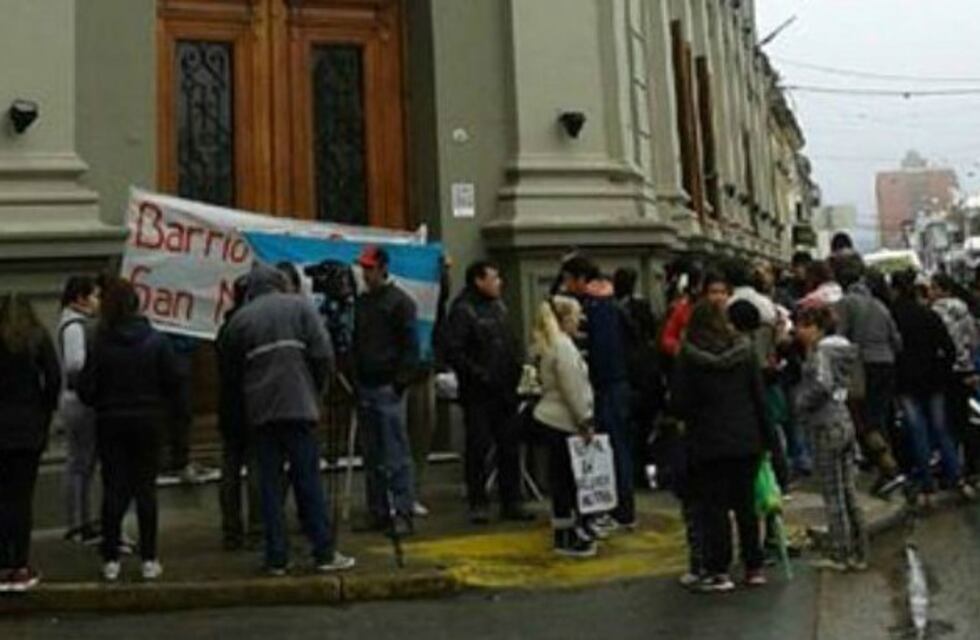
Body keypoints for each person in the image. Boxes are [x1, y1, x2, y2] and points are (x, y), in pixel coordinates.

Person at [222, 262, 354, 575]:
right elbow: (324, 354)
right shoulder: (300, 308)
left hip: (262, 411)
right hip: (299, 405)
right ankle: (323, 551)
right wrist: (318, 390)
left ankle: (276, 556)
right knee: (307, 479)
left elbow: (230, 371)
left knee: (269, 485)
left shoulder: (240, 321)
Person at [77, 278, 180, 582]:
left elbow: (86, 388)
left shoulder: (100, 342)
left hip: (112, 420)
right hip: (148, 420)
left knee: (114, 489)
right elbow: (174, 381)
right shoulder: (157, 341)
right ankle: (149, 557)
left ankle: (111, 558)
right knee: (146, 489)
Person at [671, 301, 775, 592]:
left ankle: (720, 571)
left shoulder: (688, 356)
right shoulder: (744, 352)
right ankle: (754, 566)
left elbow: (679, 403)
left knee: (713, 508)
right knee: (745, 505)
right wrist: (769, 440)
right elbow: (759, 397)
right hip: (745, 437)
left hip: (707, 439)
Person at [446, 260, 532, 524]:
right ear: (478, 280)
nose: (499, 283)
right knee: (478, 447)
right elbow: (456, 352)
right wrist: (480, 376)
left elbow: (510, 341)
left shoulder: (498, 307)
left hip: (504, 390)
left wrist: (517, 370)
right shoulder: (463, 310)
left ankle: (512, 500)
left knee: (509, 447)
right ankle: (478, 502)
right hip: (479, 393)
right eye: (494, 278)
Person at [558, 256, 634, 532]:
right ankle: (622, 508)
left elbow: (598, 351)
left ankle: (616, 508)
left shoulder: (594, 307)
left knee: (608, 447)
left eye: (568, 279)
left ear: (580, 279)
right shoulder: (611, 303)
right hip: (618, 382)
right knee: (617, 445)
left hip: (605, 385)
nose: (566, 286)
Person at [794, 304, 869, 572]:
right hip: (843, 419)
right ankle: (860, 550)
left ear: (817, 327)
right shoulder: (844, 350)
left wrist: (800, 402)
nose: (798, 331)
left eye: (803, 325)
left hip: (825, 425)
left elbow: (821, 385)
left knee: (832, 491)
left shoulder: (822, 352)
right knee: (848, 490)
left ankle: (840, 553)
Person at [890, 270, 975, 506]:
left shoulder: (894, 317)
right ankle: (957, 479)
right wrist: (942, 370)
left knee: (918, 433)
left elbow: (892, 350)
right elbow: (949, 348)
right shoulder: (930, 315)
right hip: (935, 383)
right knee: (942, 430)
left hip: (907, 384)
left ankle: (927, 485)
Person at [352, 246, 419, 533]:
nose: (365, 274)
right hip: (366, 384)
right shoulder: (363, 303)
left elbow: (410, 347)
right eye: (364, 269)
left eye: (370, 268)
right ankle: (378, 509)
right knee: (372, 455)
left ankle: (401, 510)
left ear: (382, 269)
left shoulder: (400, 303)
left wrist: (399, 382)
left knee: (395, 454)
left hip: (387, 386)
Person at [0, 294, 61, 591]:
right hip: (28, 429)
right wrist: (43, 411)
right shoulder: (37, 337)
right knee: (21, 499)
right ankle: (20, 565)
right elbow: (53, 379)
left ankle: (1, 564)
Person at [832, 252, 906, 498]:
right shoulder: (879, 305)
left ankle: (889, 469)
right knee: (880, 416)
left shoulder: (846, 303)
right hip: (887, 363)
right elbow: (897, 341)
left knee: (865, 420)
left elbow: (839, 340)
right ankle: (890, 467)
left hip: (864, 366)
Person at [531, 296, 597, 557]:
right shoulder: (564, 347)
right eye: (576, 314)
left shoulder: (549, 344)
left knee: (561, 480)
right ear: (565, 318)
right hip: (563, 421)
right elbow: (573, 389)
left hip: (550, 417)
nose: (579, 320)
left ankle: (565, 531)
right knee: (567, 481)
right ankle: (568, 536)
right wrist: (585, 420)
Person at [215, 274, 263, 551]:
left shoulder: (227, 328)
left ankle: (231, 529)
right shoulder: (251, 327)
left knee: (231, 467)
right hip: (252, 403)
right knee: (255, 465)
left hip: (230, 405)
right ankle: (256, 527)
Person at [57, 275, 101, 544]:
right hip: (79, 402)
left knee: (82, 463)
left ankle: (81, 519)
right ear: (80, 298)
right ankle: (78, 522)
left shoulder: (73, 323)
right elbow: (75, 364)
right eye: (94, 295)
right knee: (80, 464)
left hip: (76, 400)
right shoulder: (75, 326)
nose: (98, 301)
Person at [613, 267, 664, 488]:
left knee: (633, 428)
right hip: (643, 376)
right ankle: (640, 472)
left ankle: (635, 472)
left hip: (631, 375)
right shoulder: (638, 308)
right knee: (642, 428)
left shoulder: (617, 310)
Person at [931, 273, 980, 481]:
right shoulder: (965, 310)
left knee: (948, 421)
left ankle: (952, 465)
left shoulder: (935, 312)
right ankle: (973, 465)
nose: (931, 292)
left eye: (933, 288)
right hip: (967, 368)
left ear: (942, 289)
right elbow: (974, 341)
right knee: (968, 418)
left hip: (947, 371)